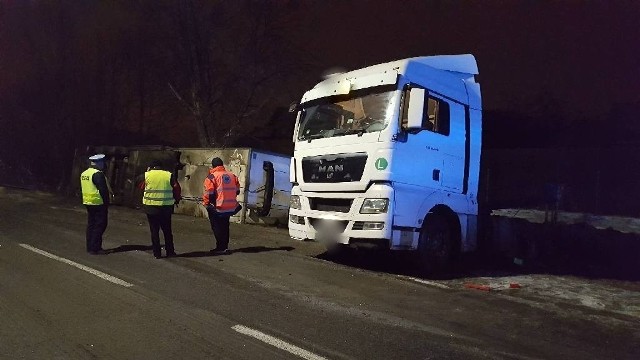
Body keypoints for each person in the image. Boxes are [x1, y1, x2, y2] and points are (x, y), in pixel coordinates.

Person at [138, 160, 182, 259]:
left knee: (154, 230)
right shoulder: (168, 175)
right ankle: (170, 251)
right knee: (167, 230)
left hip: (151, 207)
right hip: (166, 207)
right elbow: (176, 188)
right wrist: (176, 199)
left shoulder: (146, 175)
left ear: (150, 167)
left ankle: (157, 253)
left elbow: (140, 186)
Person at [203, 157, 240, 255]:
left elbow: (209, 193)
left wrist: (207, 204)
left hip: (217, 207)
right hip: (229, 207)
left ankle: (220, 247)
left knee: (216, 227)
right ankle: (224, 247)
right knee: (225, 227)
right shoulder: (232, 175)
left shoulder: (211, 177)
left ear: (213, 165)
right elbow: (237, 191)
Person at [80, 154, 111, 255]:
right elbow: (103, 190)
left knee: (91, 225)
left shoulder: (84, 173)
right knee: (100, 225)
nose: (103, 165)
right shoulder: (97, 174)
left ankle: (89, 247)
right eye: (102, 163)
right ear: (99, 163)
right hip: (98, 203)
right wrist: (107, 202)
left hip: (88, 202)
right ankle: (95, 248)